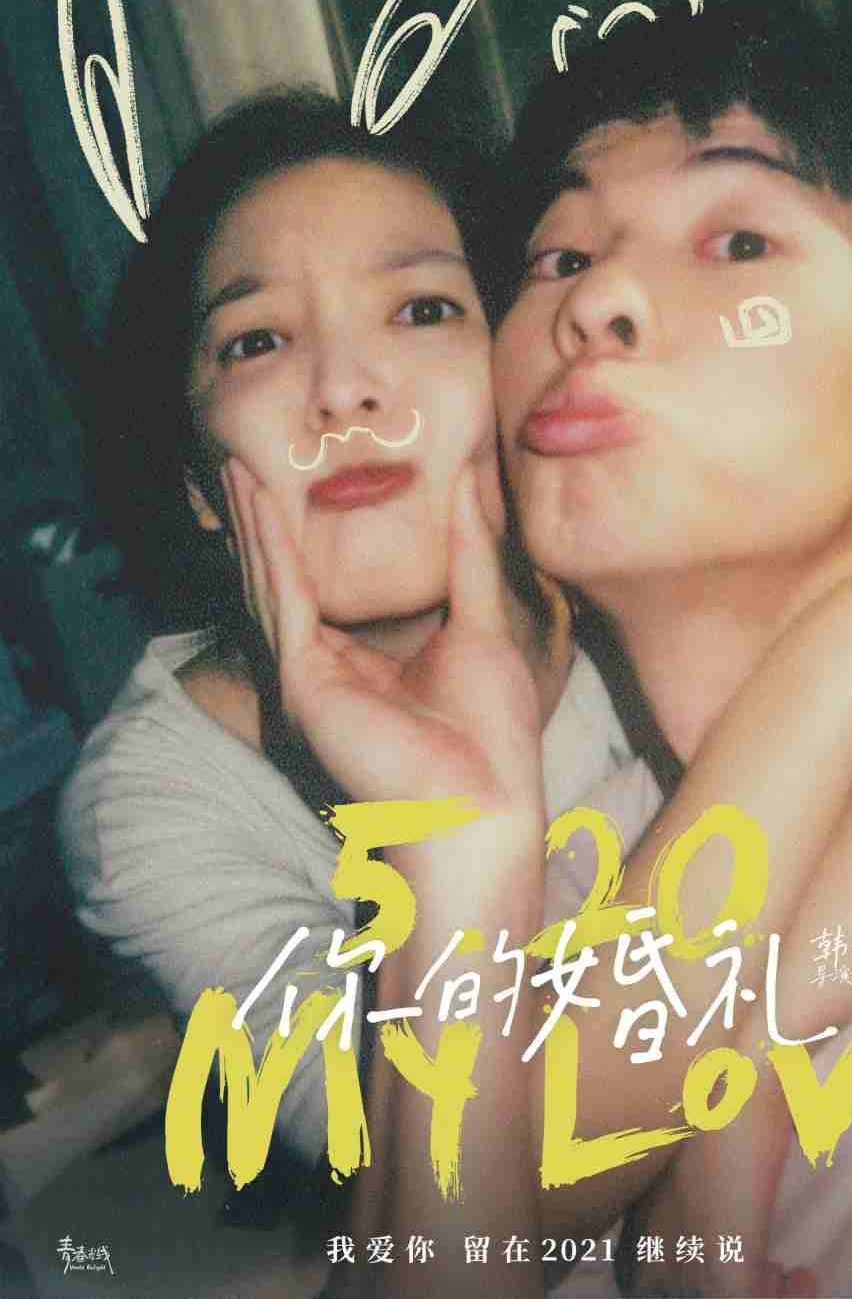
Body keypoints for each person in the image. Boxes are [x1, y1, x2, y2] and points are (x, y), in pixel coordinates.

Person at [487, 8, 852, 1296]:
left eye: (740, 242)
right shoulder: (578, 883)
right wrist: (841, 668)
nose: (595, 301)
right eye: (557, 255)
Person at [58, 89, 650, 1293]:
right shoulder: (154, 797)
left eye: (423, 309)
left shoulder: (646, 581)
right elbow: (463, 1201)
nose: (345, 391)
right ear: (198, 479)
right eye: (256, 341)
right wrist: (454, 847)